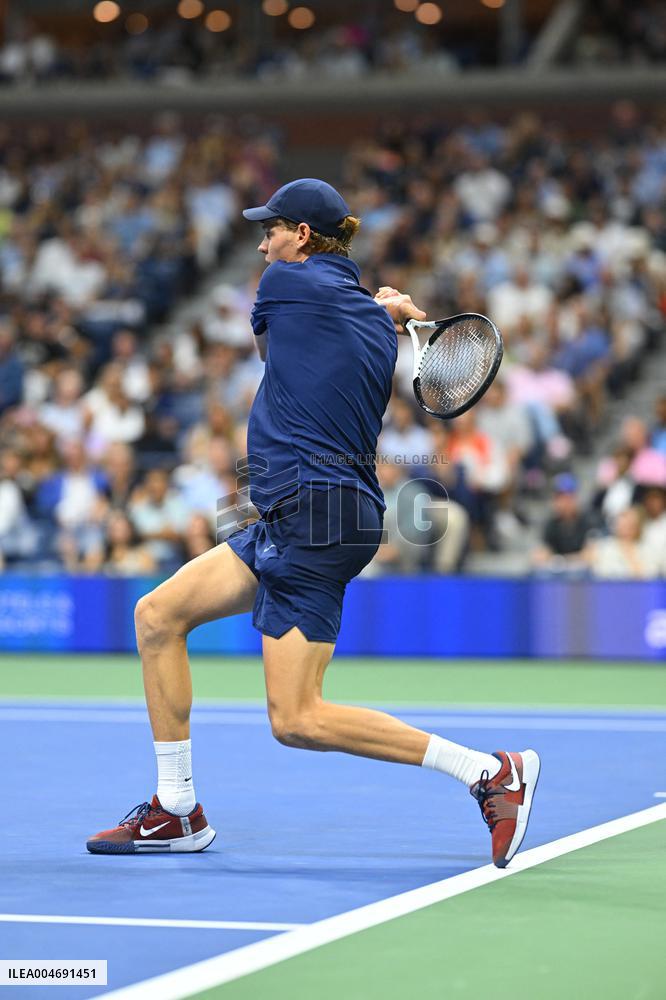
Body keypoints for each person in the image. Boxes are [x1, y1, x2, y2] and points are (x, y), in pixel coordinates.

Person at [87, 178, 540, 868]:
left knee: (296, 719)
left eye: (270, 229)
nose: (262, 242)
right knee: (157, 615)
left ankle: (488, 772)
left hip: (315, 515)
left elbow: (275, 354)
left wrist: (365, 306)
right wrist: (376, 309)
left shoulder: (286, 285)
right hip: (297, 511)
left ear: (302, 236)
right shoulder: (370, 324)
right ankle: (176, 809)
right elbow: (318, 351)